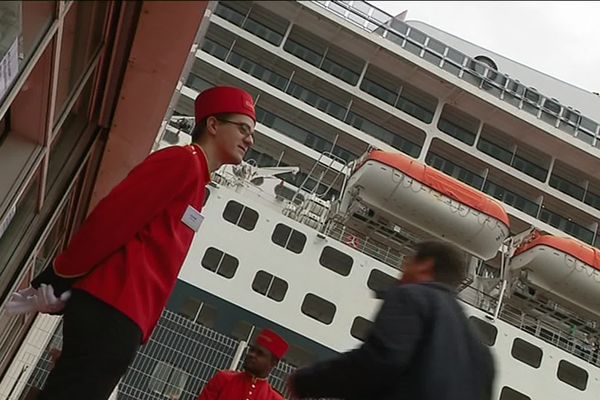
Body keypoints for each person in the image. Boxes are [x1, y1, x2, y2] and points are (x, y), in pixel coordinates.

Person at [6, 86, 256, 400]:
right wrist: (58, 277)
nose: (250, 140)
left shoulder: (197, 178)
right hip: (113, 312)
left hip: (123, 316)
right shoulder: (181, 162)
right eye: (243, 128)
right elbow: (113, 220)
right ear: (213, 125)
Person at [287, 241, 495, 400]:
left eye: (407, 263)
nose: (402, 272)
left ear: (425, 266)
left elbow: (379, 361)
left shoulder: (412, 296)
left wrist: (308, 381)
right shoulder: (482, 353)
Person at [198, 329, 288, 400]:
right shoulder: (224, 379)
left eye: (260, 353)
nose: (251, 355)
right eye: (251, 350)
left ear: (273, 363)